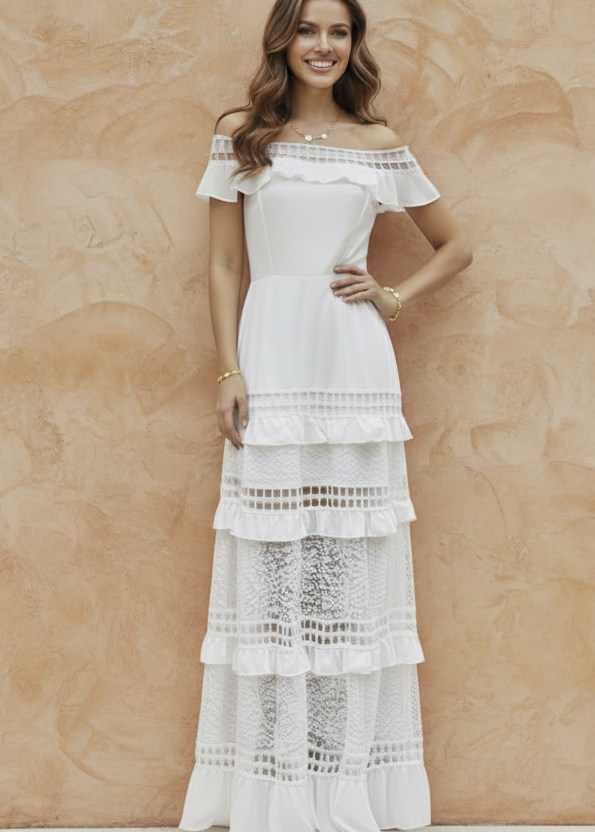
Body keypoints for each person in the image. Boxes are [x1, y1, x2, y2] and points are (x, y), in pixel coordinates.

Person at [179, 0, 473, 829]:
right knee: (272, 574)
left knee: (350, 578)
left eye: (338, 32)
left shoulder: (377, 146)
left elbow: (455, 245)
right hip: (269, 358)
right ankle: (272, 791)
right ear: (282, 39)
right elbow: (224, 260)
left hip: (352, 364)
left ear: (353, 46)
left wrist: (391, 296)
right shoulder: (243, 134)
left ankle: (345, 790)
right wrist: (229, 368)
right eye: (307, 29)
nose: (322, 45)